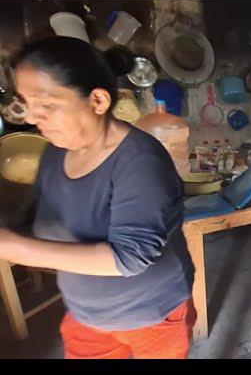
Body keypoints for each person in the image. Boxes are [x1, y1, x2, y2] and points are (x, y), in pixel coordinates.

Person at [0, 36, 196, 358]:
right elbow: (38, 219)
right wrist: (17, 232)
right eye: (28, 105)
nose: (33, 119)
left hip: (151, 314)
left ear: (98, 101)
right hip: (85, 314)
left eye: (47, 106)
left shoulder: (140, 162)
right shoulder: (54, 152)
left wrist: (16, 248)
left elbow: (130, 257)